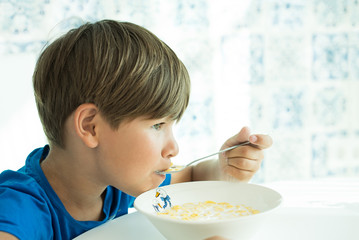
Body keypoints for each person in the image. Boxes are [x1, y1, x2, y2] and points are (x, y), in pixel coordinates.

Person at [0, 19, 272, 239]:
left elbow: (188, 178)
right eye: (157, 125)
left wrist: (222, 169)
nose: (173, 148)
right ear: (90, 127)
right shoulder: (19, 209)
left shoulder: (115, 181)